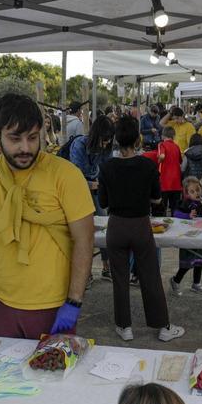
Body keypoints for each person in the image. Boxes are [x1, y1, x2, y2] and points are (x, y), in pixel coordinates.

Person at [0, 93, 95, 339]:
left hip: (54, 305)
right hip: (1, 302)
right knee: (4, 377)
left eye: (32, 138)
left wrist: (74, 301)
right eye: (15, 138)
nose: (25, 148)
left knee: (51, 376)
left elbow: (84, 240)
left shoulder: (66, 175)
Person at [98, 116, 185, 343]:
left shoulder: (106, 167)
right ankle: (163, 326)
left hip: (116, 225)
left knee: (120, 277)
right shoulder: (147, 165)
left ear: (116, 139)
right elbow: (157, 199)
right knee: (150, 276)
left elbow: (104, 202)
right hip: (140, 225)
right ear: (138, 139)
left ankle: (124, 326)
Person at [67, 115, 114, 281]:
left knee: (104, 224)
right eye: (104, 140)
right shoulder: (79, 145)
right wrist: (91, 185)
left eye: (109, 140)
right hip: (77, 188)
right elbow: (74, 176)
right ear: (96, 136)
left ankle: (106, 267)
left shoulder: (107, 147)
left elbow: (108, 169)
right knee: (83, 230)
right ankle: (84, 272)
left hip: (95, 186)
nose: (106, 143)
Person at [169, 178, 202, 296]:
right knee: (187, 262)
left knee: (199, 261)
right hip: (188, 237)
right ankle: (175, 280)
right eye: (192, 191)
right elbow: (175, 213)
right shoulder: (185, 202)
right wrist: (187, 215)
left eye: (198, 190)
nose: (196, 193)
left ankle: (196, 284)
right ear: (187, 194)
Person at [142, 125, 184, 215]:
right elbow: (180, 161)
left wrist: (159, 161)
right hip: (176, 182)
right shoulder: (177, 146)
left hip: (164, 181)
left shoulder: (161, 144)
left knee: (161, 209)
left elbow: (162, 156)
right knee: (175, 209)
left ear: (163, 136)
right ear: (174, 136)